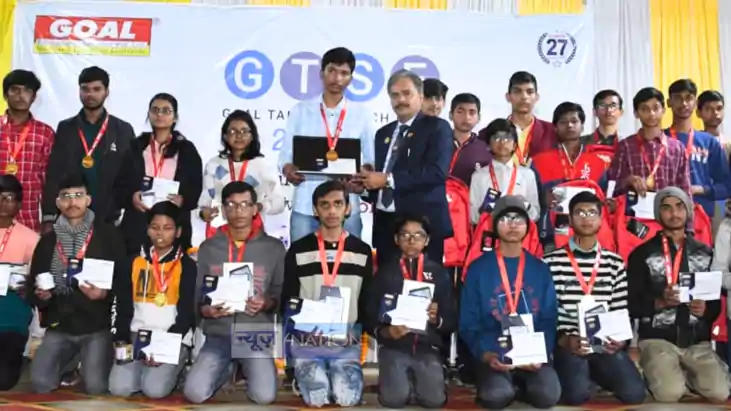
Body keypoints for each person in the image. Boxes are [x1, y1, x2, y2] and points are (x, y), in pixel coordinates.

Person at [184, 181, 284, 405]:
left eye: (244, 204)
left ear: (255, 208)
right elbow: (199, 296)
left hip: (254, 333)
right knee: (195, 394)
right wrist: (206, 311)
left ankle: (246, 367)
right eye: (231, 205)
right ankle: (229, 368)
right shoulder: (209, 248)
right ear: (223, 209)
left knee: (264, 397)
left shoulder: (274, 248)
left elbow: (279, 296)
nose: (238, 211)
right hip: (219, 333)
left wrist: (266, 302)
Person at [26, 173, 125, 394]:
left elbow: (123, 280)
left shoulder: (108, 236)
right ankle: (71, 361)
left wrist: (105, 295)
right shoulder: (48, 241)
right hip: (60, 325)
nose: (72, 202)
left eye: (78, 195)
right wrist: (41, 296)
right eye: (66, 196)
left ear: (88, 200)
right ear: (57, 202)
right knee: (41, 384)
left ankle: (87, 361)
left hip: (95, 324)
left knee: (96, 387)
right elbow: (33, 285)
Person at [543, 191, 645, 406]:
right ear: (570, 220)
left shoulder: (614, 263)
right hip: (570, 342)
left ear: (600, 220)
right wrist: (564, 340)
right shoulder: (551, 262)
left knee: (635, 394)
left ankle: (595, 373)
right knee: (576, 396)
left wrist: (620, 340)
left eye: (592, 213)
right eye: (580, 213)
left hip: (604, 343)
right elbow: (546, 314)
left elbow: (620, 310)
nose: (586, 218)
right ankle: (579, 375)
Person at [627, 187, 728, 403]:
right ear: (658, 214)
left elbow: (715, 304)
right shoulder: (641, 254)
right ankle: (655, 369)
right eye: (666, 208)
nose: (674, 213)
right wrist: (659, 302)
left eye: (679, 207)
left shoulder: (705, 253)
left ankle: (686, 375)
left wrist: (705, 310)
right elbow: (631, 304)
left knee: (720, 393)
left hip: (696, 342)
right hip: (658, 340)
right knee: (669, 394)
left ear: (688, 211)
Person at [460, 196, 560, 409]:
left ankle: (519, 388)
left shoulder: (540, 269)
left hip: (531, 353)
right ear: (494, 225)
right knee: (496, 396)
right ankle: (503, 386)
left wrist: (540, 352)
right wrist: (486, 354)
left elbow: (549, 318)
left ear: (528, 226)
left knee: (548, 395)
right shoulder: (478, 269)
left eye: (519, 219)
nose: (513, 225)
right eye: (506, 219)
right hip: (494, 352)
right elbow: (469, 321)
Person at [281, 180, 373, 408]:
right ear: (315, 210)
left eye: (338, 204)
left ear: (348, 208)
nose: (332, 211)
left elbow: (366, 299)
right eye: (325, 205)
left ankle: (335, 371)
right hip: (308, 337)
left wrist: (355, 332)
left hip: (346, 337)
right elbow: (289, 298)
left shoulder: (362, 251)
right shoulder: (299, 249)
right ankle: (304, 372)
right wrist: (300, 331)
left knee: (346, 399)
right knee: (318, 399)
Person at [278, 47, 375, 242]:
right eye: (332, 71)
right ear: (322, 73)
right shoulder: (301, 110)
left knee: (350, 258)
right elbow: (285, 156)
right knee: (301, 258)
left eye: (344, 73)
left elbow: (370, 159)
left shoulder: (362, 114)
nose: (337, 78)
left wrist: (361, 177)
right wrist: (288, 169)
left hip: (346, 206)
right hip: (306, 203)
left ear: (351, 78)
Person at [360, 70, 453, 267]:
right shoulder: (383, 134)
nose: (400, 100)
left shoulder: (437, 127)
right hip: (386, 226)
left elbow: (437, 172)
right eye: (395, 95)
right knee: (387, 282)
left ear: (420, 96)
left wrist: (387, 179)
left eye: (406, 93)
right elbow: (380, 181)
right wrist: (363, 186)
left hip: (421, 228)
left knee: (422, 284)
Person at [109, 201, 196, 398]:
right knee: (119, 389)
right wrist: (122, 338)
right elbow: (122, 306)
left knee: (154, 390)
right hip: (136, 335)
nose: (160, 233)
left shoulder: (187, 266)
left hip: (171, 337)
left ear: (178, 232)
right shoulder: (133, 262)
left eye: (167, 228)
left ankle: (179, 368)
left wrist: (163, 345)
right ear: (147, 229)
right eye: (155, 227)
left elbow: (186, 315)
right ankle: (145, 371)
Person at [369, 213, 456, 408]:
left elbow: (451, 318)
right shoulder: (385, 273)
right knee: (393, 400)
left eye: (418, 235)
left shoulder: (438, 274)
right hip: (394, 347)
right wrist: (385, 332)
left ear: (427, 240)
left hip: (427, 347)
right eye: (405, 235)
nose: (411, 240)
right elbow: (369, 313)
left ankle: (421, 379)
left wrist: (437, 319)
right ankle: (400, 380)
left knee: (435, 401)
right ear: (396, 239)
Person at [43, 66, 135, 229]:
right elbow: (54, 173)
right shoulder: (66, 128)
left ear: (107, 92)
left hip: (108, 219)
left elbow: (130, 175)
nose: (90, 94)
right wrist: (48, 216)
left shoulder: (122, 130)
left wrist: (122, 209)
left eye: (96, 89)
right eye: (85, 89)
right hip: (70, 215)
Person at [114, 93, 203, 255]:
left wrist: (184, 200)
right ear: (148, 115)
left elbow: (195, 186)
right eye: (155, 110)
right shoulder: (135, 147)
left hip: (173, 222)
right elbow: (120, 184)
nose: (159, 114)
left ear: (175, 117)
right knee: (134, 267)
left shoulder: (187, 149)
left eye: (166, 111)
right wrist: (132, 197)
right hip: (138, 222)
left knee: (171, 268)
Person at [198, 110, 285, 224]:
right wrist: (203, 212)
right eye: (233, 131)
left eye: (244, 131)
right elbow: (204, 200)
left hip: (252, 227)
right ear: (225, 136)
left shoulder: (263, 166)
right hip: (220, 227)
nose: (239, 135)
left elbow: (279, 202)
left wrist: (259, 207)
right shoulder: (214, 164)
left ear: (252, 136)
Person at [664, 79, 731, 218]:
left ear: (695, 102)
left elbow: (726, 186)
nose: (684, 103)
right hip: (667, 214)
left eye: (688, 98)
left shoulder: (709, 142)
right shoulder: (659, 139)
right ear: (669, 102)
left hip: (702, 216)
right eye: (678, 98)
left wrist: (702, 189)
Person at [607, 87, 690, 198]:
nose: (651, 113)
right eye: (645, 109)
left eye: (656, 108)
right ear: (636, 113)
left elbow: (685, 189)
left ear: (663, 110)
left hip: (668, 207)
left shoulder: (677, 148)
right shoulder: (625, 146)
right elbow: (611, 188)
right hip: (634, 207)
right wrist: (628, 180)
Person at [1, 69, 55, 231]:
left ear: (34, 97)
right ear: (5, 95)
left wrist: (49, 218)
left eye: (27, 90)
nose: (20, 95)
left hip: (28, 220)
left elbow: (48, 180)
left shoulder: (45, 133)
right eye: (15, 90)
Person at [0, 175, 39, 389]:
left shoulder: (31, 239)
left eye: (9, 198)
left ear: (19, 205)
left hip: (12, 321)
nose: (3, 203)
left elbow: (37, 284)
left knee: (4, 380)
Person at [469, 119, 540, 224]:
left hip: (518, 231)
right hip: (489, 231)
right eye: (496, 138)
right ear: (488, 145)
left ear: (514, 145)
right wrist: (484, 209)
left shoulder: (527, 174)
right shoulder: (478, 176)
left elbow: (535, 215)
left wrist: (525, 204)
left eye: (507, 138)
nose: (502, 142)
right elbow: (472, 218)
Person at [478, 71, 557, 166]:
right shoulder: (487, 134)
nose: (524, 97)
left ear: (536, 97)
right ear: (508, 97)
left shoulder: (552, 132)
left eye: (529, 92)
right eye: (517, 91)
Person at [532, 102, 609, 194]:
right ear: (555, 128)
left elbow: (602, 197)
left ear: (582, 127)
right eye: (563, 122)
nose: (569, 125)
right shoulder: (539, 161)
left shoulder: (597, 163)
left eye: (574, 121)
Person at [448, 93, 491, 187]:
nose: (466, 117)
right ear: (451, 115)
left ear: (479, 118)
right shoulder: (437, 142)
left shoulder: (485, 149)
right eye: (460, 112)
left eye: (472, 113)